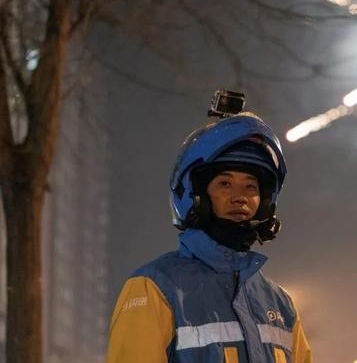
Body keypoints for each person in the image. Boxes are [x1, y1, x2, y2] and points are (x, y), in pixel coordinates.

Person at [106, 112, 312, 363]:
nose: (240, 197)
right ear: (196, 196)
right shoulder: (155, 288)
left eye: (251, 186)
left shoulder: (281, 304)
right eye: (225, 184)